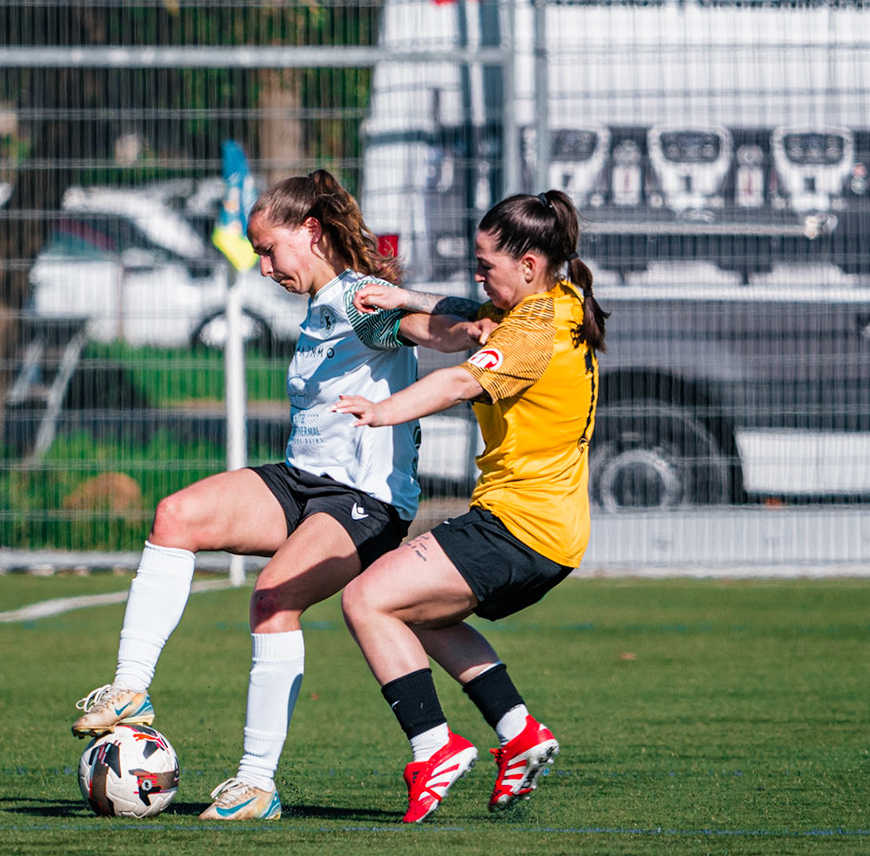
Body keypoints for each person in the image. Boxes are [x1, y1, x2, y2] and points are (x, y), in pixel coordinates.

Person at [69, 169, 484, 820]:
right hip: (301, 483)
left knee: (273, 596)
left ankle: (255, 784)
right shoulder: (326, 305)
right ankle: (130, 691)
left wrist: (464, 316)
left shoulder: (359, 302)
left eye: (269, 249)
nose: (263, 267)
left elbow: (441, 330)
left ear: (312, 232)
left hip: (363, 502)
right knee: (176, 515)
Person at [333, 189, 608, 823]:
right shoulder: (557, 303)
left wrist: (381, 412)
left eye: (487, 263)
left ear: (530, 263)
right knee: (418, 611)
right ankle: (519, 732)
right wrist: (406, 299)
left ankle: (435, 747)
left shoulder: (535, 332)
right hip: (547, 535)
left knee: (367, 599)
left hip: (517, 528)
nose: (478, 274)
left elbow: (461, 378)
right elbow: (471, 311)